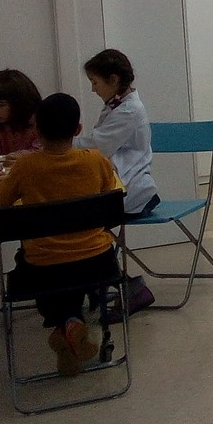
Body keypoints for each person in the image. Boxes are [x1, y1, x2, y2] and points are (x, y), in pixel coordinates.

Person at [0, 93, 122, 375]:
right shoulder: (97, 161)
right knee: (74, 266)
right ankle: (72, 324)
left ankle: (65, 325)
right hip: (98, 262)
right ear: (78, 129)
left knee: (40, 266)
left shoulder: (25, 167)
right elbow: (109, 195)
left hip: (44, 267)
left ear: (36, 130)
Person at [81, 48, 158, 315]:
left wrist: (59, 144)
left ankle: (130, 287)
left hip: (133, 190)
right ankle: (99, 284)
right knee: (81, 227)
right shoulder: (117, 105)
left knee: (83, 228)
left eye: (95, 82)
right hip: (119, 186)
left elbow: (98, 146)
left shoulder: (130, 110)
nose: (92, 89)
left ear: (113, 80)